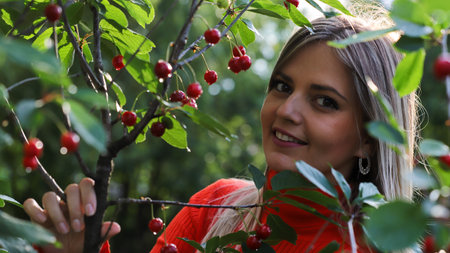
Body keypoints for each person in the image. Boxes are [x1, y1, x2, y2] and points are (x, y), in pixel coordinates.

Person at [23, 14, 418, 253]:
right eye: (282, 86)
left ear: (369, 137)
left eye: (325, 102)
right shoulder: (216, 210)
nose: (287, 110)